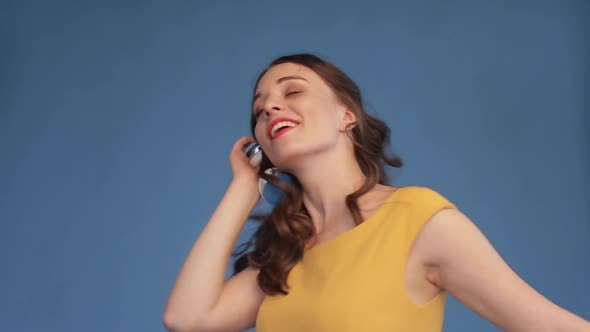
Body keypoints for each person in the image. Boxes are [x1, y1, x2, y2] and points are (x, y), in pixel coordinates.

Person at [163, 53, 590, 332]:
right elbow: (187, 319)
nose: (271, 106)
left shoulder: (416, 218)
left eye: (292, 90)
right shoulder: (285, 255)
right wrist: (243, 186)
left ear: (346, 116)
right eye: (259, 109)